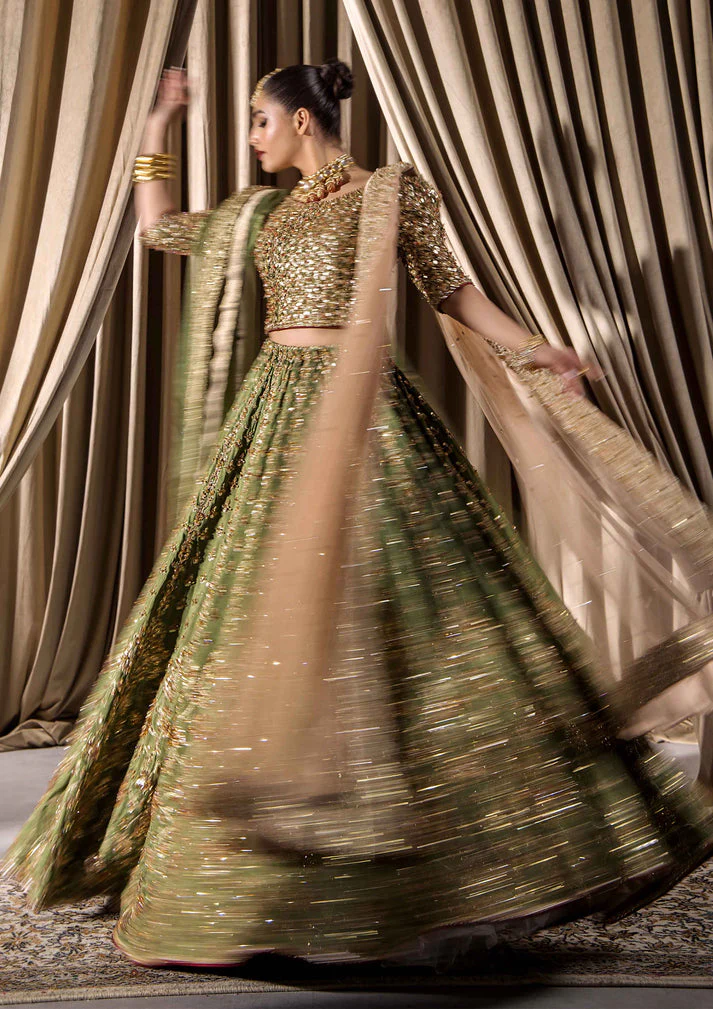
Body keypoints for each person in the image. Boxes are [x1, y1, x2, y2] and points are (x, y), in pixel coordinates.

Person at [4, 59, 713, 969]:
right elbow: (161, 232)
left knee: (402, 614)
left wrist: (538, 349)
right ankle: (253, 865)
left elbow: (449, 288)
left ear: (304, 120)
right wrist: (154, 132)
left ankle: (439, 862)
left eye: (260, 121)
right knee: (250, 613)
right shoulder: (260, 215)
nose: (252, 139)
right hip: (272, 420)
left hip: (370, 419)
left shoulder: (389, 194)